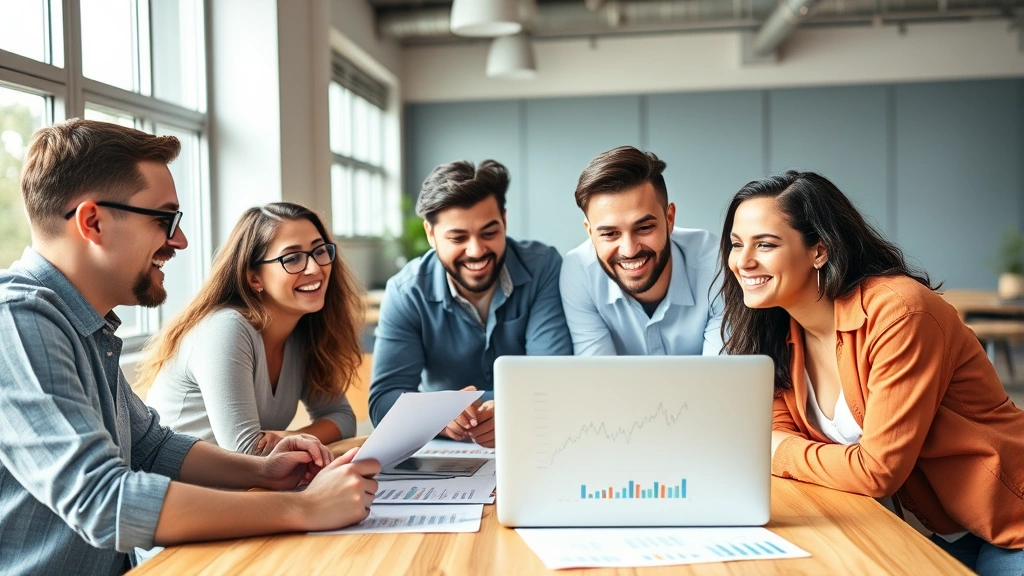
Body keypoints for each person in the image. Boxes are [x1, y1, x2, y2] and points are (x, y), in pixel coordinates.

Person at [0, 119, 380, 576]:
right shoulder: (17, 322)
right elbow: (105, 502)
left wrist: (263, 472)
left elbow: (153, 446)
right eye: (165, 220)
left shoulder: (84, 325)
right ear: (93, 221)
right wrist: (304, 508)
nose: (179, 240)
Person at [721, 170, 1024, 574]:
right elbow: (780, 435)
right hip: (936, 530)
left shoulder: (898, 312)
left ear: (819, 251)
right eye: (737, 244)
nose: (743, 261)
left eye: (766, 244)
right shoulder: (775, 330)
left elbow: (874, 470)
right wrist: (776, 447)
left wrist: (773, 449)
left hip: (1010, 524)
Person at [369, 159, 573, 447]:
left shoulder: (543, 268)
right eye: (458, 238)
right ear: (431, 234)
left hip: (531, 439)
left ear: (504, 219)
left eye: (489, 233)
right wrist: (438, 415)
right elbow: (383, 402)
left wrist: (511, 411)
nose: (476, 251)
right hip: (446, 452)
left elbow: (553, 379)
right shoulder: (406, 292)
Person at [140, 202, 362, 455]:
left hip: (243, 486)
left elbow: (342, 417)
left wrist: (293, 438)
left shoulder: (303, 333)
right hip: (184, 489)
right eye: (292, 258)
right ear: (254, 278)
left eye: (320, 251)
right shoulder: (225, 329)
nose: (315, 268)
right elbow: (247, 451)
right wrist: (295, 443)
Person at [560, 146, 723, 356]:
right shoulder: (579, 271)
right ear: (590, 233)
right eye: (610, 234)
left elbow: (720, 381)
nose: (629, 250)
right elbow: (598, 379)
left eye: (644, 228)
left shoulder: (716, 265)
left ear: (669, 219)